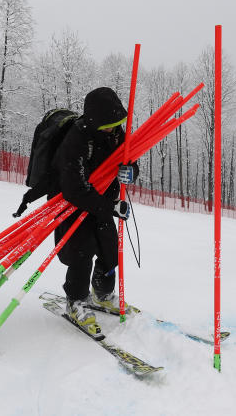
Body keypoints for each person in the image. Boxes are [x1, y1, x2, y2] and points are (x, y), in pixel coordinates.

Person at [50, 87, 137, 334]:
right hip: (73, 204)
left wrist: (131, 171)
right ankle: (76, 300)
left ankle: (102, 292)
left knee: (110, 248)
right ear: (95, 121)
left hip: (103, 202)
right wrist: (110, 207)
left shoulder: (118, 135)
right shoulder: (76, 140)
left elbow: (130, 160)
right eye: (110, 124)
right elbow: (74, 188)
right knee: (81, 251)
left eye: (118, 123)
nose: (115, 129)